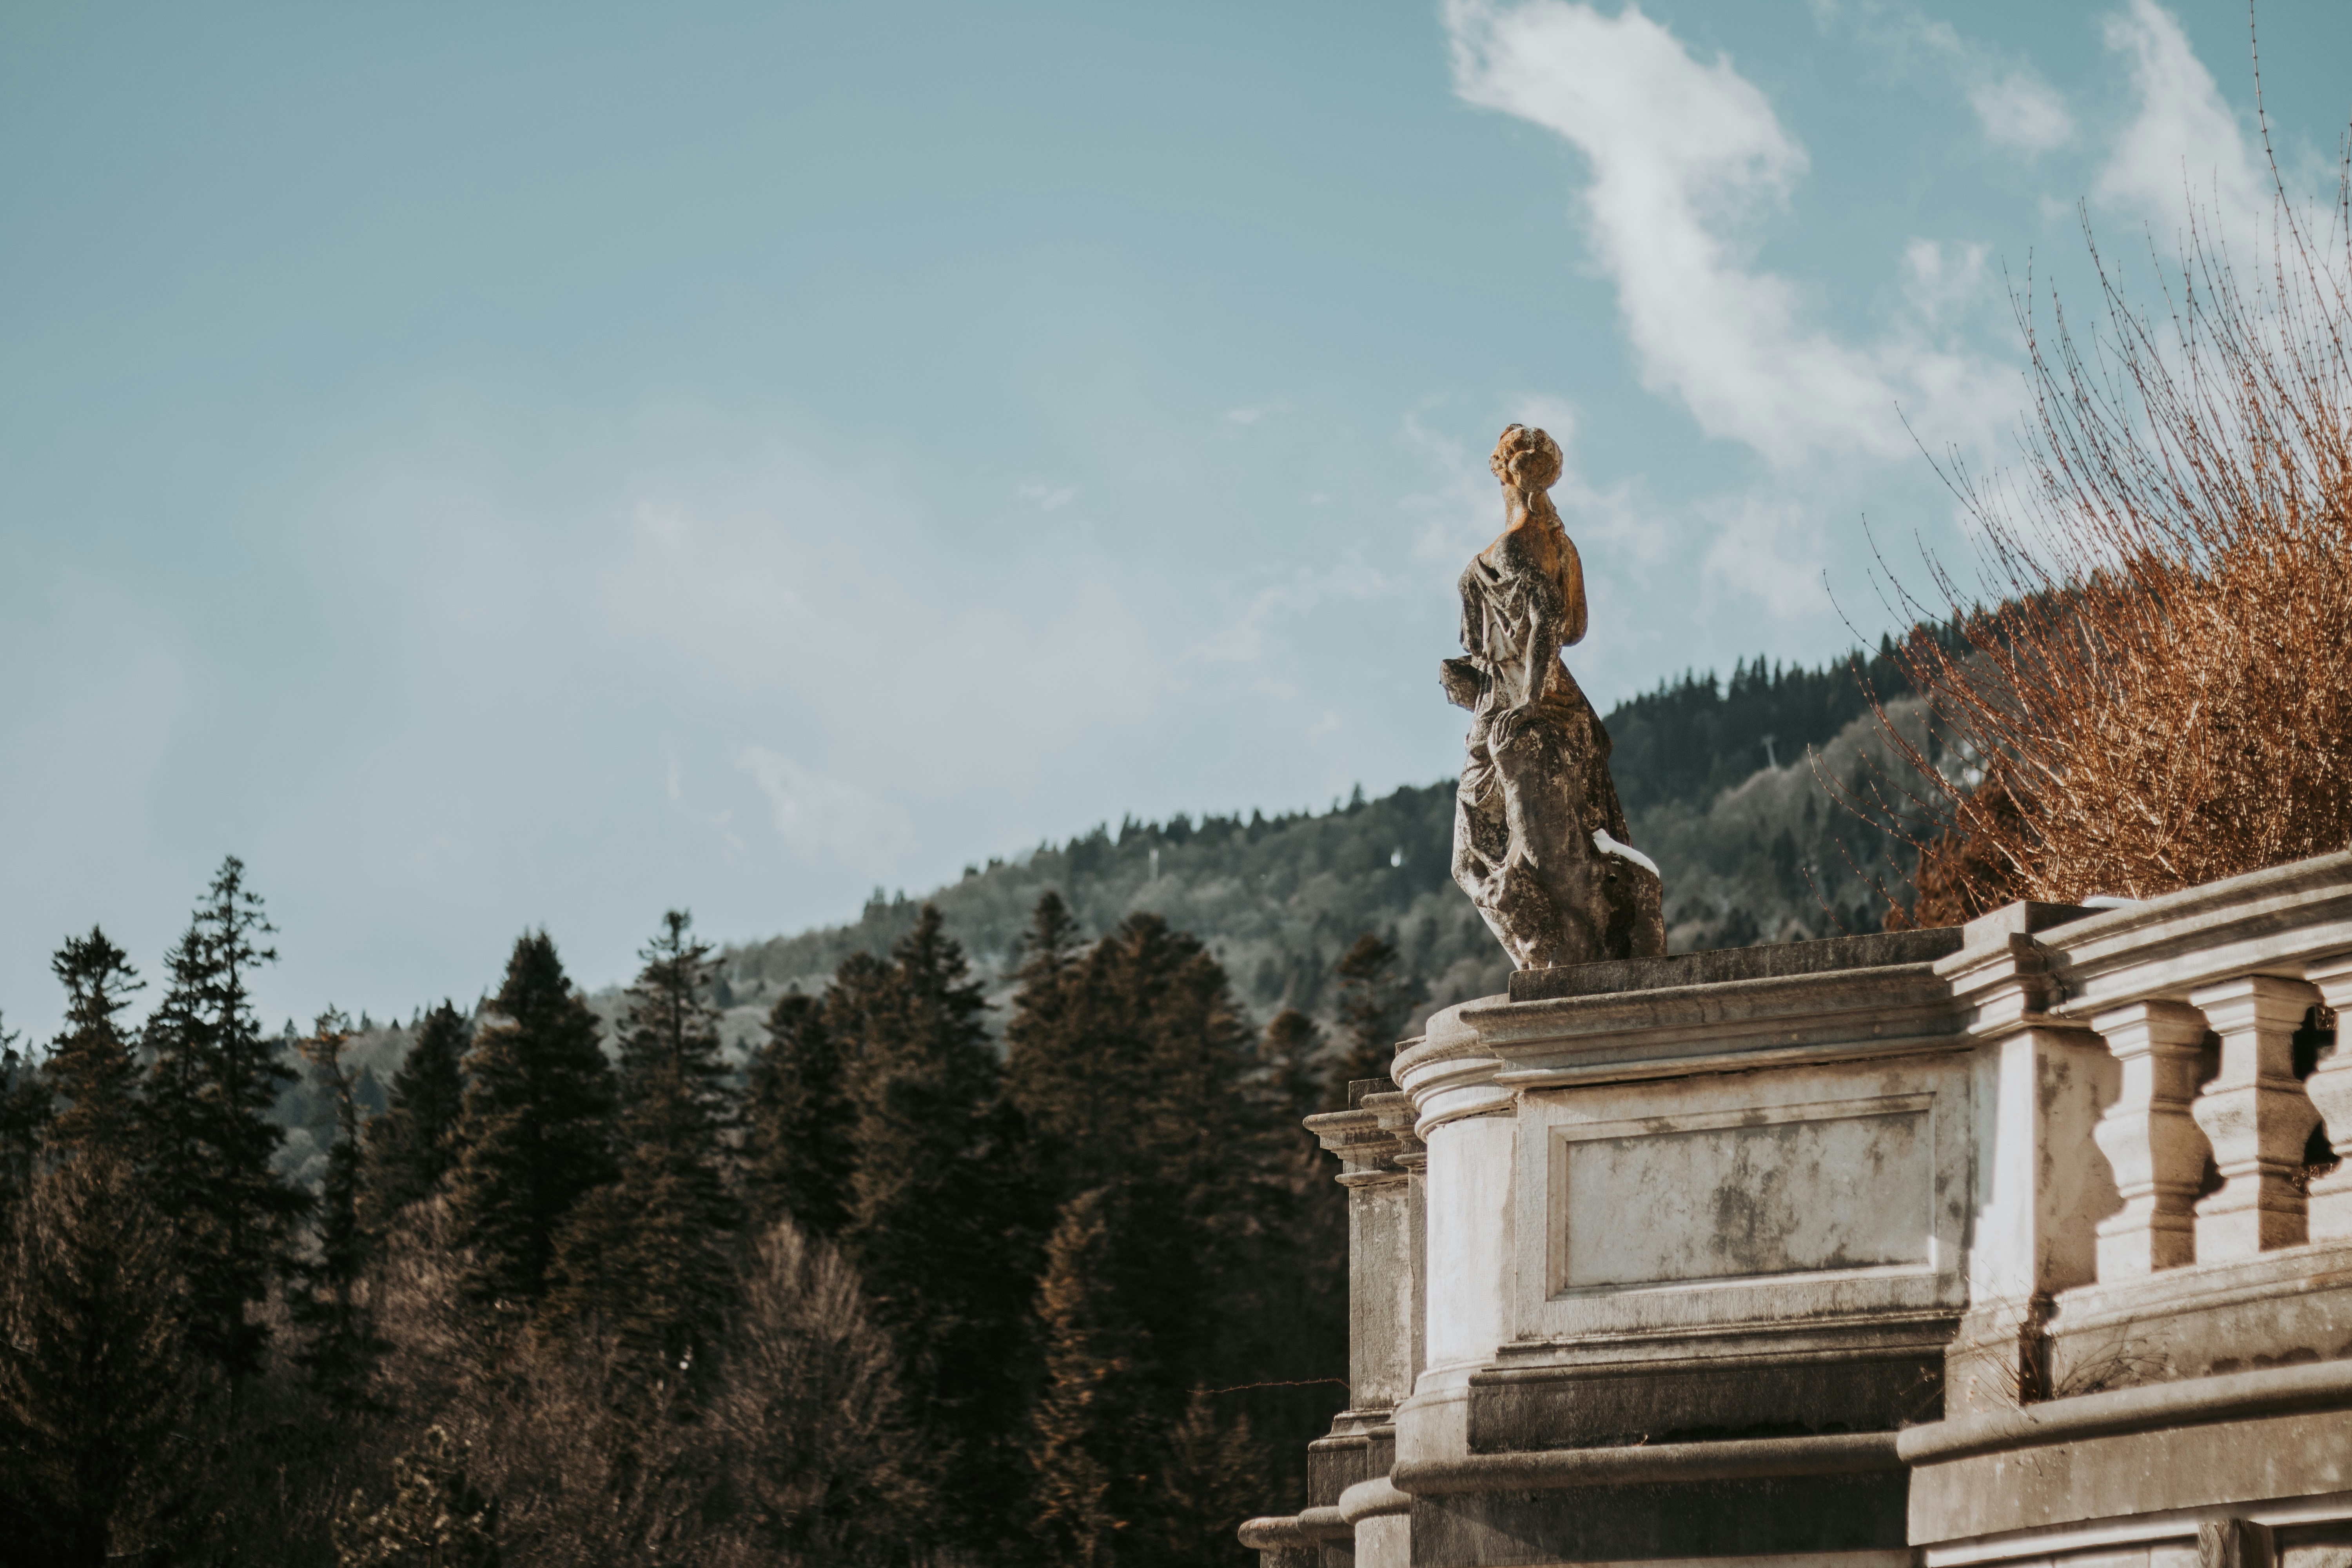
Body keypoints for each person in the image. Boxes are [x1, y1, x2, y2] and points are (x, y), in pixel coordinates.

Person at [1446, 425, 1662, 968]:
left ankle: (1550, 945)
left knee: (1485, 855)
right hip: (1525, 702)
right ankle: (1547, 943)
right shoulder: (1559, 545)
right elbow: (1574, 627)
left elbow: (1549, 621)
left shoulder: (1512, 545)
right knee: (1503, 853)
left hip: (1517, 708)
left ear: (1502, 471)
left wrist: (1528, 701)